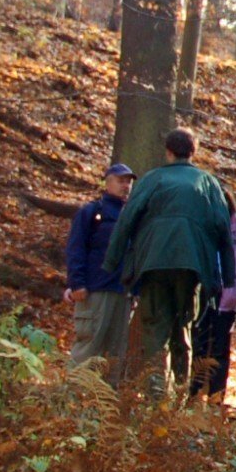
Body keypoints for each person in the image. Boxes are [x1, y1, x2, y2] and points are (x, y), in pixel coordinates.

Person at [105, 128, 234, 397]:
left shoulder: (153, 179)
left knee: (155, 327)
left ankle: (157, 396)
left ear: (168, 151)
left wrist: (112, 261)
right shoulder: (208, 183)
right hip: (192, 266)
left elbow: (126, 220)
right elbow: (224, 227)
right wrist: (227, 277)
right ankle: (180, 390)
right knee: (184, 325)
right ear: (193, 152)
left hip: (153, 264)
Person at [65, 162, 136, 379]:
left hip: (123, 293)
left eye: (128, 181)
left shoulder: (132, 215)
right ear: (108, 182)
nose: (125, 185)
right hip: (95, 290)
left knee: (115, 353)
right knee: (89, 346)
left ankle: (106, 404)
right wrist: (77, 283)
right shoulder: (92, 211)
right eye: (120, 180)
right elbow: (76, 247)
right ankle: (73, 399)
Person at [189, 194, 236, 403]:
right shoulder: (199, 229)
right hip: (202, 297)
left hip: (227, 300)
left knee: (220, 351)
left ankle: (216, 398)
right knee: (197, 348)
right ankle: (193, 396)